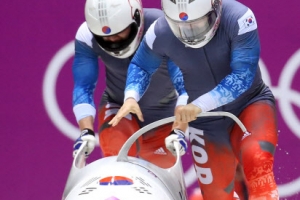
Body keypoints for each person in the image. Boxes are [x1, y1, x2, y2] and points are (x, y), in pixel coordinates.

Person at [109, 0, 279, 199]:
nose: (189, 32)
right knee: (216, 196)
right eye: (180, 26)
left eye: (197, 24)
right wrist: (131, 96)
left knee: (256, 160)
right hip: (206, 123)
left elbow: (242, 76)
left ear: (215, 9)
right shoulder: (160, 31)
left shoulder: (240, 18)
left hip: (249, 105)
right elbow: (141, 66)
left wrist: (199, 105)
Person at [71, 0, 188, 169]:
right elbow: (83, 86)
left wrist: (179, 129)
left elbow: (187, 85)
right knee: (118, 163)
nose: (112, 40)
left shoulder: (165, 29)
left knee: (158, 180)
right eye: (104, 37)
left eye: (119, 33)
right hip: (119, 110)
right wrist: (86, 131)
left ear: (137, 18)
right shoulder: (86, 35)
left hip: (164, 117)